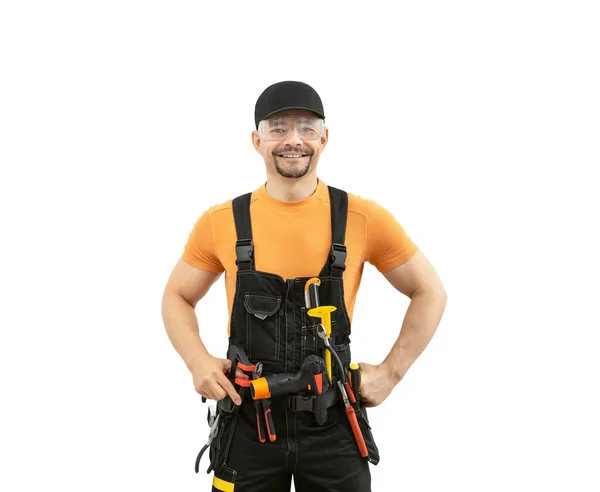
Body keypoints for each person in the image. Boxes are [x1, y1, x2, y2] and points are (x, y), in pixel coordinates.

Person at [161, 81, 447, 492]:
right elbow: (177, 295)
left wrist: (392, 373)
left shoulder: (362, 217)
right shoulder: (221, 221)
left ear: (324, 138)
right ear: (257, 140)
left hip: (334, 422)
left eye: (306, 128)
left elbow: (430, 291)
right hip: (248, 421)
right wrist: (196, 361)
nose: (293, 140)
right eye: (278, 128)